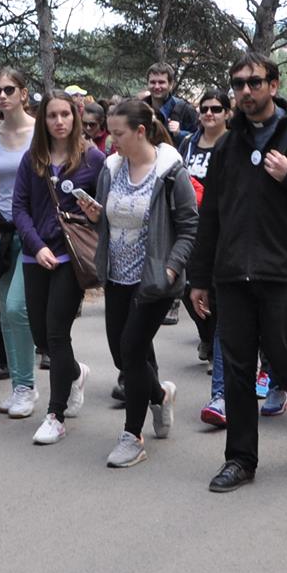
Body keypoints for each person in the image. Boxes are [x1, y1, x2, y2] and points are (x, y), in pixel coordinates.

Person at [187, 50, 287, 492]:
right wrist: (199, 277)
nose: (245, 91)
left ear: (273, 85)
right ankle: (241, 459)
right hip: (233, 274)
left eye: (253, 82)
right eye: (238, 83)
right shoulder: (228, 144)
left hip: (286, 270)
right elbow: (212, 215)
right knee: (239, 368)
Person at [70, 99, 197, 467]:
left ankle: (132, 436)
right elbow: (110, 221)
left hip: (155, 280)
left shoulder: (170, 171)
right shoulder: (111, 168)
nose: (111, 141)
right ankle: (159, 395)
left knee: (131, 349)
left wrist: (172, 270)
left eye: (119, 134)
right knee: (126, 355)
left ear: (141, 131)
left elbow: (189, 228)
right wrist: (97, 216)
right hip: (117, 277)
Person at [13, 91, 106, 442]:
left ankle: (55, 414)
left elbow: (103, 208)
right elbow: (19, 208)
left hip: (70, 257)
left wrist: (97, 213)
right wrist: (35, 247)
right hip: (35, 255)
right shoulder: (32, 159)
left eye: (65, 114)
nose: (59, 121)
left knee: (56, 332)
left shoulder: (93, 159)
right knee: (41, 337)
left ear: (75, 117)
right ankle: (75, 373)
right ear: (44, 121)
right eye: (52, 115)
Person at [0, 67, 40, 418]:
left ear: (24, 94)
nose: (2, 95)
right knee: (7, 314)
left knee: (19, 308)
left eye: (9, 89)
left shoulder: (39, 134)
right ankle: (20, 387)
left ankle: (36, 384)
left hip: (31, 230)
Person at [182, 89, 231, 377]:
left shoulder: (232, 144)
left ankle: (216, 346)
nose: (209, 114)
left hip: (222, 226)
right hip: (190, 226)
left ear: (227, 113)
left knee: (216, 288)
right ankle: (206, 334)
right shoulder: (188, 143)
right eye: (205, 109)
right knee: (189, 288)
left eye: (216, 109)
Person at [147, 61, 200, 138]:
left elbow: (199, 139)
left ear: (171, 84)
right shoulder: (140, 108)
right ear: (147, 84)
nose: (157, 86)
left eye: (161, 82)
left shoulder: (185, 109)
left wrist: (179, 133)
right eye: (152, 82)